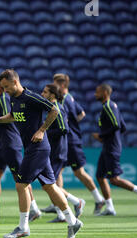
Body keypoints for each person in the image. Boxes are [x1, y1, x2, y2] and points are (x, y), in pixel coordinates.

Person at [0, 69, 83, 238]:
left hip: (38, 147)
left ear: (15, 82)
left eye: (7, 86)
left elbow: (54, 110)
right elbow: (15, 116)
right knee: (50, 186)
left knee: (21, 184)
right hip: (33, 148)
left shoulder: (30, 96)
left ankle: (23, 227)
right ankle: (73, 220)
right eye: (3, 87)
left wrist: (41, 130)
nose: (5, 90)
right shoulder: (13, 98)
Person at [44, 73, 105, 216]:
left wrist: (69, 126)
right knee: (58, 173)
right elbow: (81, 113)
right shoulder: (70, 98)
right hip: (68, 139)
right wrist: (72, 123)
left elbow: (71, 117)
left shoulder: (64, 100)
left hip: (70, 141)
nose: (54, 87)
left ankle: (97, 199)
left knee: (78, 173)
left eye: (56, 84)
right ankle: (58, 204)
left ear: (63, 85)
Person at [0, 77, 41, 222]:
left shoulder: (3, 98)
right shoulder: (0, 98)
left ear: (0, 86)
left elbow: (11, 115)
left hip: (10, 144)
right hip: (2, 144)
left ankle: (34, 208)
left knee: (21, 179)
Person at [92, 84, 137, 215]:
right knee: (100, 176)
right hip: (109, 146)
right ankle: (110, 208)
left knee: (114, 179)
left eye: (97, 92)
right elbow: (123, 127)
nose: (95, 95)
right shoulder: (113, 106)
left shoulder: (108, 106)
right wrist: (113, 139)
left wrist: (101, 136)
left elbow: (116, 125)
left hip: (111, 147)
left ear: (104, 92)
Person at [40, 84, 86, 223]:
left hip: (58, 151)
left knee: (49, 184)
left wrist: (44, 131)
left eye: (45, 92)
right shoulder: (54, 108)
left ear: (52, 95)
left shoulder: (57, 108)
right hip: (56, 151)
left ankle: (76, 202)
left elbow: (64, 129)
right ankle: (63, 212)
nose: (42, 94)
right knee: (51, 183)